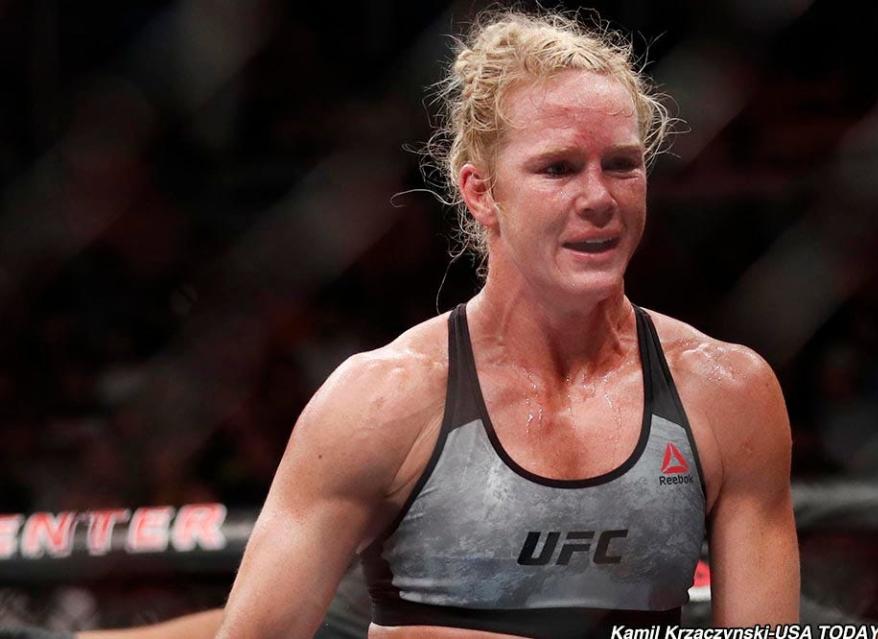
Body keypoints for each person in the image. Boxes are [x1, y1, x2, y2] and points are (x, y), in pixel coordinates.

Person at [0, 8, 792, 639]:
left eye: (621, 164)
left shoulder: (726, 391)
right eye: (556, 168)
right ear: (481, 192)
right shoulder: (387, 398)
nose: (598, 198)